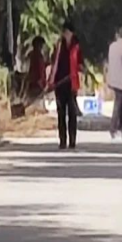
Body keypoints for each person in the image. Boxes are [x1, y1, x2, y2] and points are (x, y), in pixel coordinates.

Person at [48, 21, 84, 149]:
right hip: (60, 83)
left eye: (68, 32)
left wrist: (81, 68)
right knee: (61, 113)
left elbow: (80, 63)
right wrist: (51, 81)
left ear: (72, 33)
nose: (66, 35)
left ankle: (72, 140)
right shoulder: (59, 46)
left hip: (71, 83)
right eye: (65, 32)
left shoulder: (76, 46)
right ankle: (62, 140)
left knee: (72, 113)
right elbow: (55, 63)